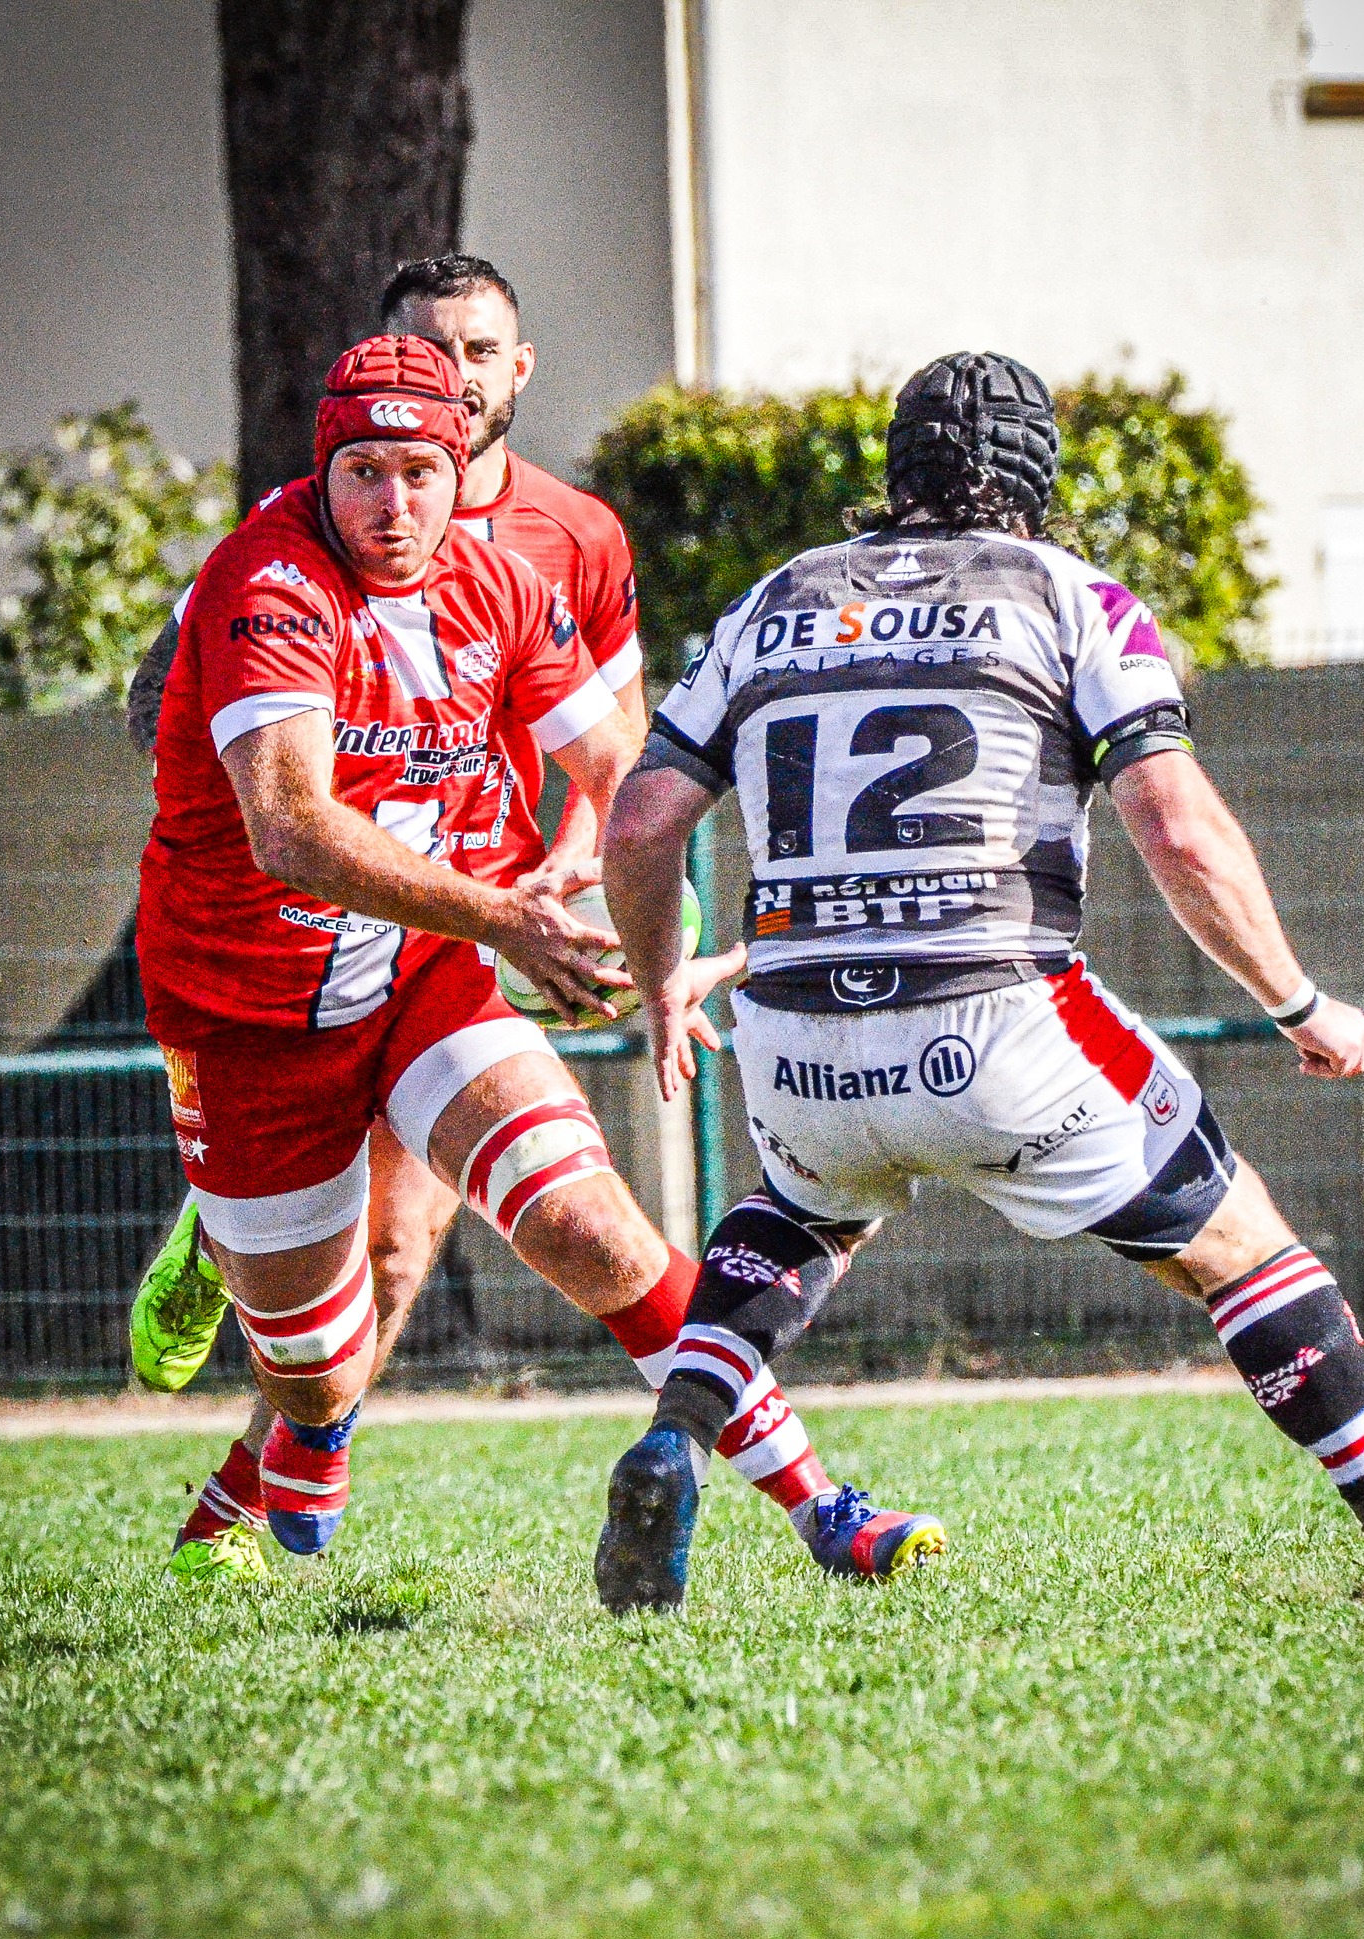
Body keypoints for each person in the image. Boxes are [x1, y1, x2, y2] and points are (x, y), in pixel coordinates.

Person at [590, 351, 1364, 1613]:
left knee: (800, 1209)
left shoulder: (774, 600)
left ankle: (674, 1433)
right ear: (1037, 475)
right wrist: (1294, 1003)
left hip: (792, 1035)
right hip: (999, 1016)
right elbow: (1175, 825)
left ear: (895, 471)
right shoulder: (1067, 594)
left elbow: (638, 825)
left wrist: (666, 985)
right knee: (1240, 1244)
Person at [131, 263, 931, 1584]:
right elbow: (289, 828)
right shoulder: (265, 581)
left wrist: (662, 961)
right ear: (321, 476)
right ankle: (271, 1342)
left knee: (594, 1232)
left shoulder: (516, 578)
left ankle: (824, 1509)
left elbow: (631, 778)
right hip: (250, 1013)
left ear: (471, 457)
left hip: (427, 976)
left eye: (420, 473)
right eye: (363, 475)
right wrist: (514, 913)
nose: (394, 504)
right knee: (322, 1366)